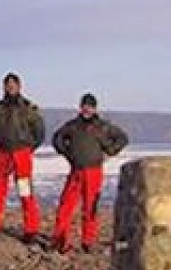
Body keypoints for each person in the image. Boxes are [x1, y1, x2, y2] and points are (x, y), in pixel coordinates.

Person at [50, 92, 129, 254]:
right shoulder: (73, 125)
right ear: (80, 107)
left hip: (94, 171)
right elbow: (57, 138)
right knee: (66, 205)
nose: (87, 109)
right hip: (76, 171)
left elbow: (122, 138)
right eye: (85, 106)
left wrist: (110, 152)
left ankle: (88, 241)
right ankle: (60, 239)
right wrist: (68, 153)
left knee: (90, 207)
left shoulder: (103, 126)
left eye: (90, 106)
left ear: (95, 108)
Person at [0, 72, 46, 245]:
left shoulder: (27, 107)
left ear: (19, 86)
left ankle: (31, 229)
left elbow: (39, 130)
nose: (10, 87)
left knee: (25, 191)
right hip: (2, 153)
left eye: (13, 84)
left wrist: (29, 147)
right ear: (4, 87)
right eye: (7, 84)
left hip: (21, 154)